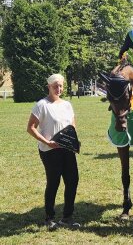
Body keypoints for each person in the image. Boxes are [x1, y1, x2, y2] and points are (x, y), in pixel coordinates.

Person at [27, 74, 80, 231]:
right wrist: (47, 142)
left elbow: (72, 125)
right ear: (49, 86)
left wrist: (72, 141)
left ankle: (67, 218)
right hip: (49, 150)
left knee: (72, 180)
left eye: (61, 86)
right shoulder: (41, 105)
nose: (59, 89)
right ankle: (49, 218)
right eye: (55, 86)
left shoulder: (67, 105)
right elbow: (30, 127)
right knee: (54, 182)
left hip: (67, 149)